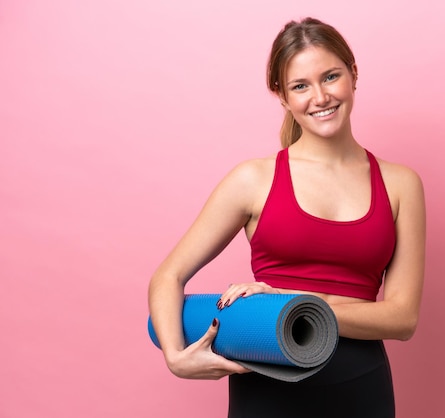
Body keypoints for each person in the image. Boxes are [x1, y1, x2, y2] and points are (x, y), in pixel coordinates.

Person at [148, 17, 425, 418]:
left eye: (331, 76)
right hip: (266, 393)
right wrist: (175, 356)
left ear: (353, 74)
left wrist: (294, 301)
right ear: (281, 95)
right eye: (300, 86)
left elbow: (402, 318)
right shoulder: (252, 179)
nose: (320, 97)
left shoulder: (401, 184)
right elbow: (167, 277)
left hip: (361, 391)